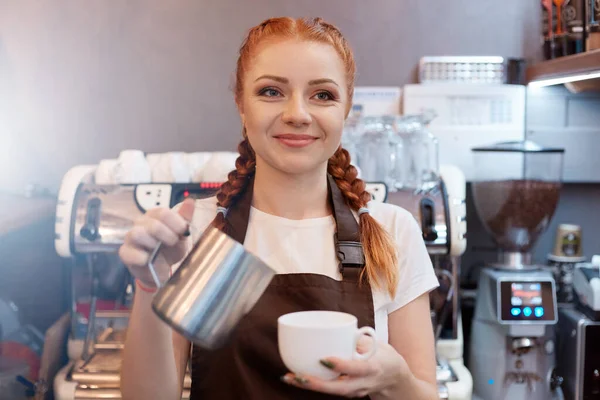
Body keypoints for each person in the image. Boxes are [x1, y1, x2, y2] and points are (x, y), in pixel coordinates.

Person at [118, 16, 440, 400]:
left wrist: (396, 380)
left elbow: (423, 393)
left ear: (347, 108)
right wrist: (148, 285)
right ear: (241, 104)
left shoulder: (391, 231)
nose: (297, 114)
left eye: (322, 95)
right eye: (271, 92)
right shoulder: (198, 231)